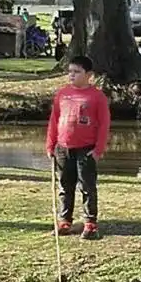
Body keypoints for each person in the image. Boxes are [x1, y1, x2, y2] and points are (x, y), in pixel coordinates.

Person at [45, 55, 111, 240]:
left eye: (77, 72)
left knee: (87, 186)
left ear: (89, 74)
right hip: (63, 147)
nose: (72, 75)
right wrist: (51, 144)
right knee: (65, 185)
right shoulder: (63, 94)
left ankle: (90, 224)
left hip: (86, 149)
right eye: (70, 71)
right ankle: (64, 220)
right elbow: (54, 120)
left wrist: (98, 150)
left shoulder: (97, 97)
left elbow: (104, 125)